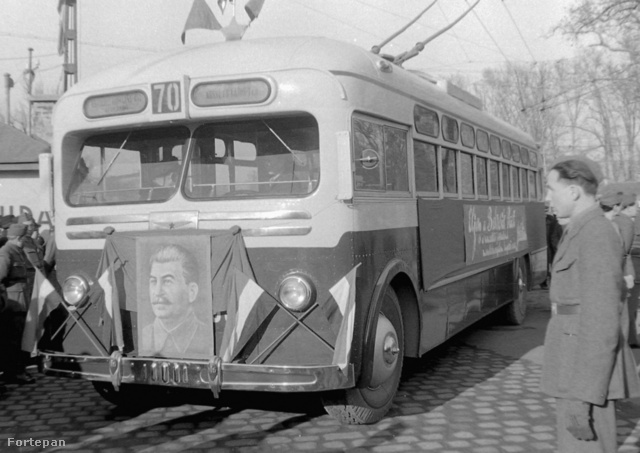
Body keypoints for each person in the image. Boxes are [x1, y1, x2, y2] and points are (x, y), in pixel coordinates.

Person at [541, 157, 640, 452]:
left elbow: (602, 324)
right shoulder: (580, 228)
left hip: (582, 374)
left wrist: (582, 395)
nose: (547, 197)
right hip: (572, 363)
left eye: (551, 188)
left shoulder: (595, 233)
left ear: (573, 191)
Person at [141, 244, 211, 358]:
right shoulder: (142, 336)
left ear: (191, 292)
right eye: (153, 281)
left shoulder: (207, 337)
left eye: (167, 281)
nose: (158, 292)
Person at [0, 223, 36, 385]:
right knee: (13, 340)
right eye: (23, 239)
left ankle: (15, 370)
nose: (24, 242)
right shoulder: (6, 252)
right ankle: (14, 372)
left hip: (21, 301)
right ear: (18, 238)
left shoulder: (17, 251)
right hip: (13, 303)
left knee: (18, 338)